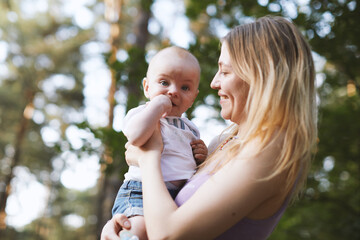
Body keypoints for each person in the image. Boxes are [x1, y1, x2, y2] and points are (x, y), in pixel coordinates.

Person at [101, 15, 317, 240]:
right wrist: (123, 222)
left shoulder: (272, 147)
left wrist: (148, 157)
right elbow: (163, 210)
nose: (214, 83)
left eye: (225, 71)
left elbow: (167, 235)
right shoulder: (223, 143)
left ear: (260, 76)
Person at [110, 46, 208, 239]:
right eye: (164, 82)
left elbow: (189, 162)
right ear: (147, 87)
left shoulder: (190, 128)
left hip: (176, 196)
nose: (173, 92)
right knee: (138, 228)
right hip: (140, 190)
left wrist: (201, 155)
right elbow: (136, 138)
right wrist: (156, 107)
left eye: (185, 87)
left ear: (193, 97)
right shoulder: (142, 114)